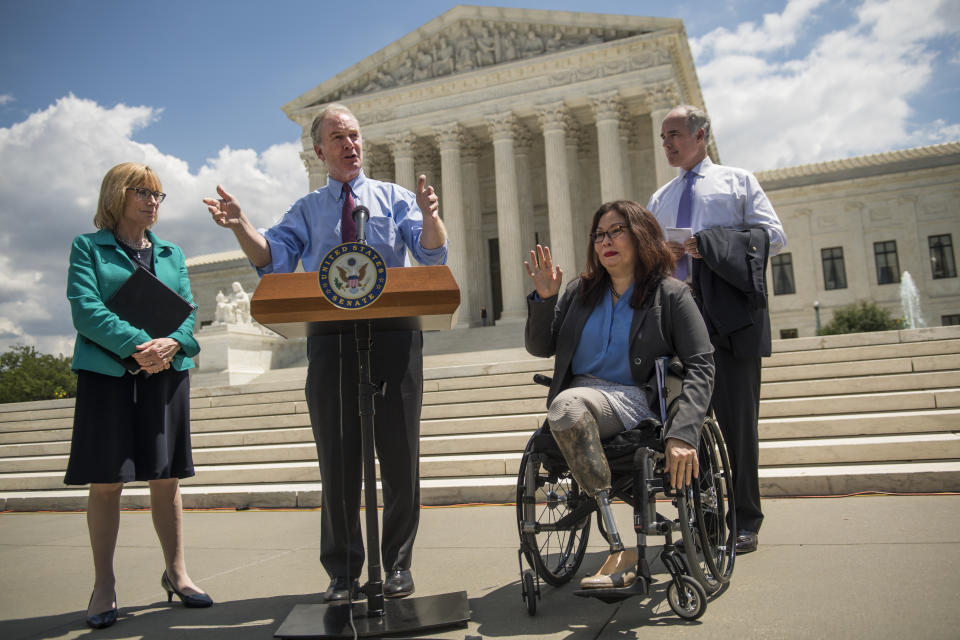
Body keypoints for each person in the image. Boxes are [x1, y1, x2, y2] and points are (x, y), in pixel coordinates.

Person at [204, 103, 448, 602]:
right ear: (320, 150)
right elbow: (273, 259)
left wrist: (429, 217)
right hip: (331, 340)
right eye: (338, 137)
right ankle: (342, 571)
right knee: (338, 461)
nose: (350, 144)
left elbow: (430, 254)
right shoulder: (308, 209)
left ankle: (398, 564)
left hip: (395, 334)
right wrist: (239, 225)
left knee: (400, 456)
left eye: (355, 135)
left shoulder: (393, 198)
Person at [524, 200, 714, 589]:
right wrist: (545, 299)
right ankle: (617, 543)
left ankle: (617, 547)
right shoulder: (579, 291)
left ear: (640, 235)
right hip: (582, 399)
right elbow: (541, 346)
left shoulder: (671, 294)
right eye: (599, 235)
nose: (605, 241)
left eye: (616, 231)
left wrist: (683, 432)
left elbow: (701, 364)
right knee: (569, 405)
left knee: (565, 407)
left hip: (634, 402)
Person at [65, 162, 212, 630]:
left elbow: (188, 313)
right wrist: (137, 344)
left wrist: (172, 344)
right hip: (108, 377)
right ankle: (104, 584)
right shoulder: (88, 248)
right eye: (143, 193)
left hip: (166, 374)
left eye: (158, 195)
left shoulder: (171, 252)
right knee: (107, 481)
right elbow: (85, 310)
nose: (153, 202)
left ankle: (177, 573)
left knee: (166, 478)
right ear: (116, 194)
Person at [647, 105, 787, 554]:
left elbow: (773, 236)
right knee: (689, 424)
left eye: (674, 134)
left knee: (739, 426)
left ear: (700, 135)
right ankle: (704, 519)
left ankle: (745, 519)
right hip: (681, 321)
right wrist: (664, 253)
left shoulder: (738, 182)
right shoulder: (659, 198)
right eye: (662, 136)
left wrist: (710, 244)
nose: (666, 142)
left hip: (731, 320)